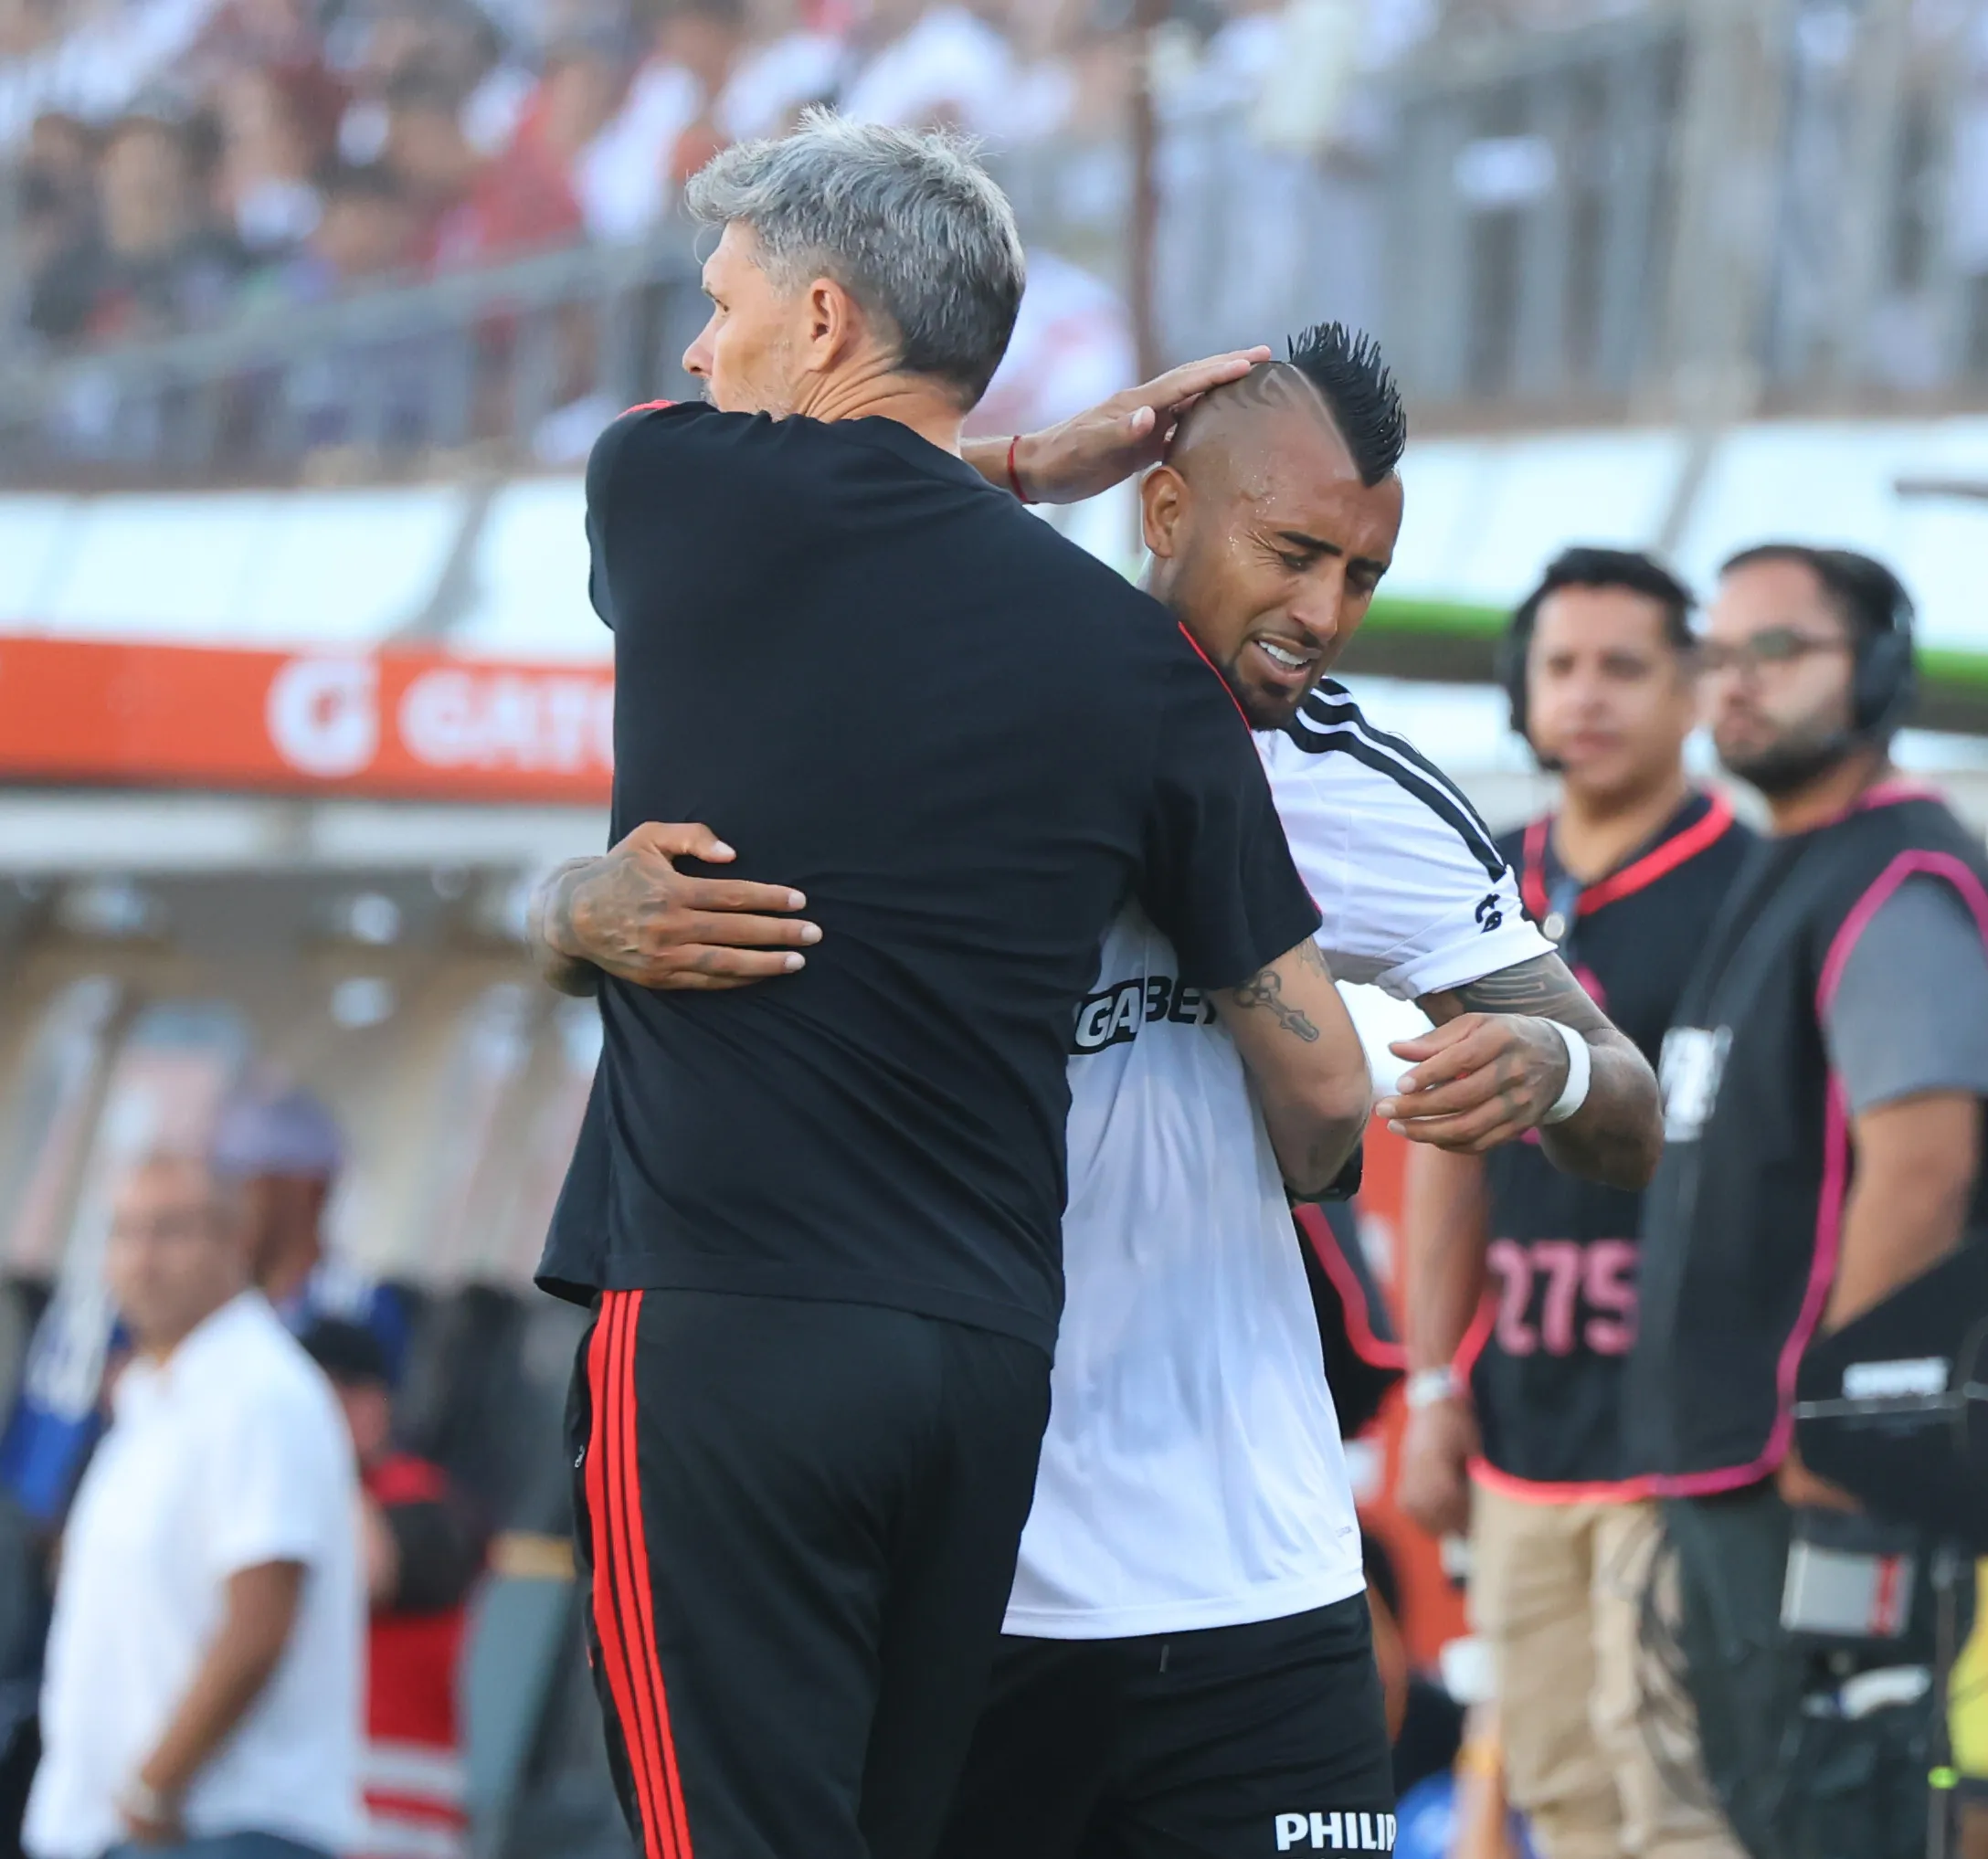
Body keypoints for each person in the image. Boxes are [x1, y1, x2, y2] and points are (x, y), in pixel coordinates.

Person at [539, 325, 1665, 1859]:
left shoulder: (1354, 789)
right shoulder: (920, 713)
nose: (1322, 613)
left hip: (1249, 1571)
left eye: (1361, 575)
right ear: (1165, 511)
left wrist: (1553, 1064)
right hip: (963, 1570)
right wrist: (564, 910)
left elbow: (1627, 1111)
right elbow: (662, 849)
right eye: (1292, 553)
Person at [524, 114, 1362, 1859]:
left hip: (730, 1321)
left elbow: (852, 501)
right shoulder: (1137, 659)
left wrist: (1029, 462)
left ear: (825, 318)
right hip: (984, 1367)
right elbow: (1326, 1099)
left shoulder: (668, 484)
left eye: (725, 304)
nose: (703, 351)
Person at [1624, 545, 1988, 1859]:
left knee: (1837, 1805)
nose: (1736, 682)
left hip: (1827, 1473)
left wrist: (1847, 1423)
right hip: (1751, 1460)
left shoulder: (1894, 881)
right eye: (1717, 653)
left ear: (1882, 669)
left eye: (1777, 649)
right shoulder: (1799, 863)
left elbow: (1922, 1166)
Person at [1399, 546, 1752, 1859]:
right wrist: (1432, 1385)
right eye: (1559, 665)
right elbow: (1446, 1143)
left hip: (1693, 1430)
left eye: (1622, 666)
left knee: (1681, 1796)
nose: (1585, 694)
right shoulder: (1481, 875)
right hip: (1523, 1425)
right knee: (1556, 1784)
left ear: (1692, 690)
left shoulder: (1750, 884)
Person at [25, 1153, 363, 1859]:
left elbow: (260, 1621)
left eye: (169, 1231)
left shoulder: (261, 1393)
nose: (141, 1259)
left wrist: (152, 1789)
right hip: (117, 1827)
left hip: (218, 1826)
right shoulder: (154, 1398)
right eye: (124, 1232)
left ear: (236, 1239)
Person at [301, 1321, 479, 1859]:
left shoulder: (422, 1501)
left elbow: (368, 1573)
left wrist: (321, 1459)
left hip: (398, 1815)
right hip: (326, 1803)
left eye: (347, 1394)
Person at [212, 1086, 409, 1382]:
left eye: (250, 1183)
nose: (231, 1203)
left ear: (308, 1190)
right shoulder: (209, 1301)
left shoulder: (366, 1310)